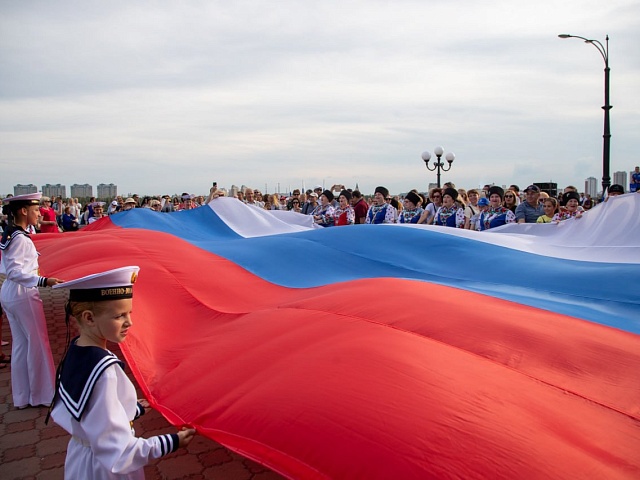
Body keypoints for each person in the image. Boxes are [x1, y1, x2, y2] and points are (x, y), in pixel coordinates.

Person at [49, 266, 195, 478]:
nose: (130, 322)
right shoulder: (104, 370)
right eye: (119, 316)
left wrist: (130, 409)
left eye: (129, 313)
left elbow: (88, 413)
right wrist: (170, 442)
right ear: (89, 318)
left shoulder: (77, 349)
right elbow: (118, 452)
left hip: (81, 456)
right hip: (104, 468)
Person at [0, 192, 63, 408]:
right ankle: (44, 395)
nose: (39, 213)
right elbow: (16, 271)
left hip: (10, 292)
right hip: (23, 292)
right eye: (35, 210)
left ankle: (22, 397)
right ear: (23, 211)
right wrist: (43, 281)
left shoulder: (11, 234)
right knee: (38, 342)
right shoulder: (20, 239)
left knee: (21, 345)